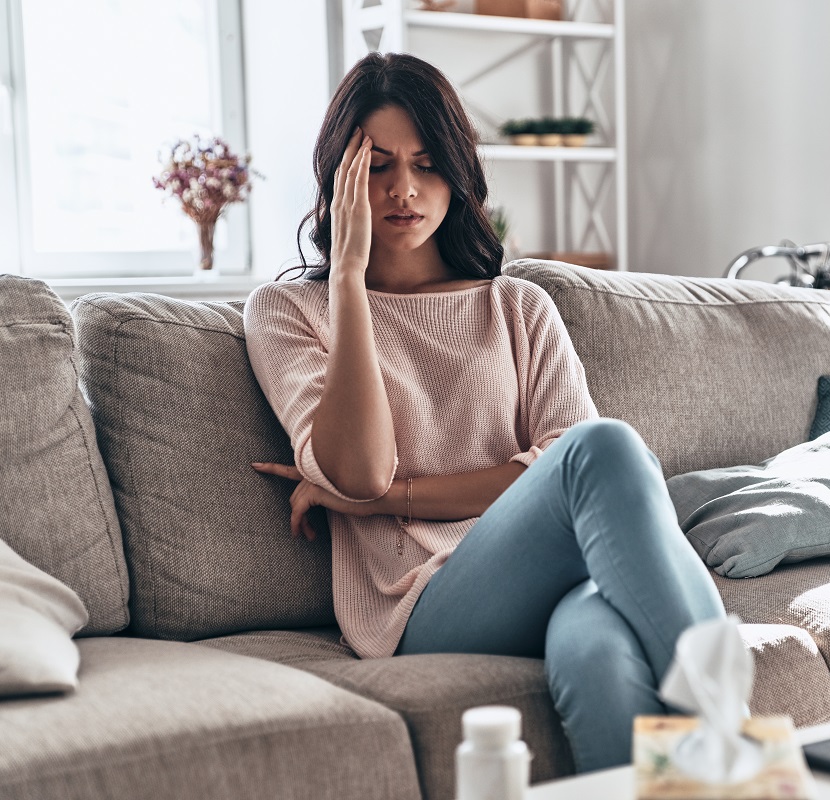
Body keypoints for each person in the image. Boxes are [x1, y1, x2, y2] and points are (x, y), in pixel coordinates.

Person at [242, 52, 725, 772]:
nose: (404, 188)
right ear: (337, 179)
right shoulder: (290, 312)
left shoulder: (519, 307)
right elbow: (361, 469)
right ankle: (732, 736)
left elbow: (542, 474)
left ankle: (702, 775)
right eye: (376, 166)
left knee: (595, 649)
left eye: (428, 163)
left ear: (457, 174)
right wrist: (347, 276)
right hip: (426, 604)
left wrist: (387, 505)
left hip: (557, 578)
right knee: (608, 449)